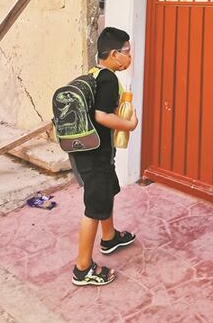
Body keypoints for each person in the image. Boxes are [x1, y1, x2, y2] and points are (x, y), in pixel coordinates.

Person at [70, 27, 139, 287]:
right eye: (127, 52)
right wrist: (129, 124)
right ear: (113, 54)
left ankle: (109, 238)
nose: (129, 57)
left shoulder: (95, 72)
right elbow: (101, 115)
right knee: (93, 209)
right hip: (94, 158)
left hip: (92, 153)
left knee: (106, 193)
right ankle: (83, 269)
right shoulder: (109, 79)